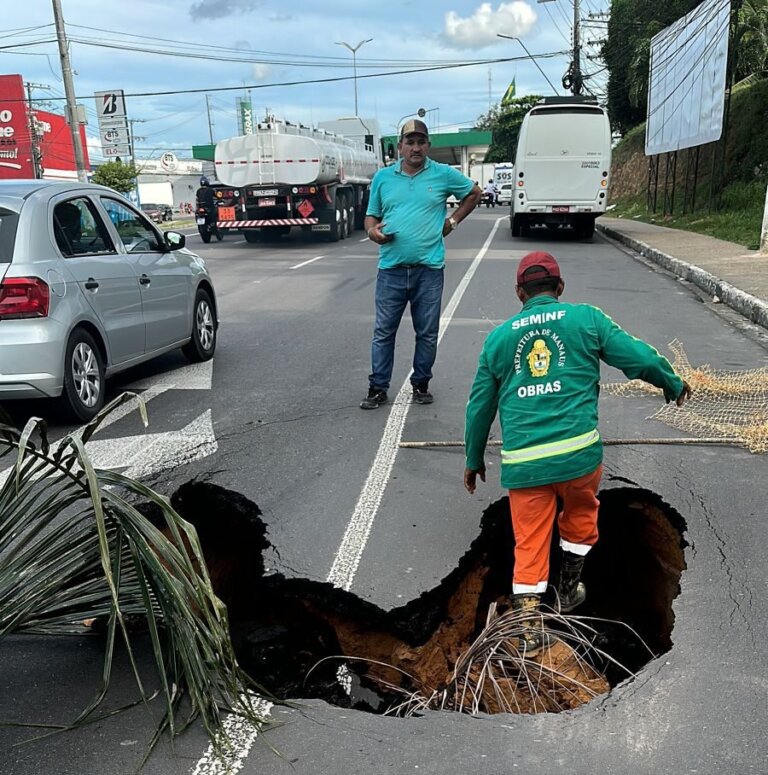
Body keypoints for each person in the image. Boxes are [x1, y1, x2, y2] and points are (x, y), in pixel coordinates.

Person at [463, 251, 692, 655]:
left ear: (520, 293)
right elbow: (636, 356)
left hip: (525, 464)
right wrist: (670, 382)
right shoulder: (586, 319)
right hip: (579, 458)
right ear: (560, 288)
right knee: (581, 520)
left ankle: (530, 628)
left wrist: (473, 458)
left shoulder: (498, 339)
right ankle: (568, 588)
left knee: (530, 541)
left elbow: (480, 405)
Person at [362, 119, 482, 410]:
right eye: (410, 142)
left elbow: (474, 193)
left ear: (428, 145)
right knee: (384, 331)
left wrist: (452, 222)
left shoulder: (442, 175)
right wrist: (372, 232)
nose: (415, 148)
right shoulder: (383, 178)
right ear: (400, 146)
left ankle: (421, 383)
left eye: (421, 142)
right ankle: (378, 387)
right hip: (390, 269)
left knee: (426, 332)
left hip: (428, 270)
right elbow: (371, 216)